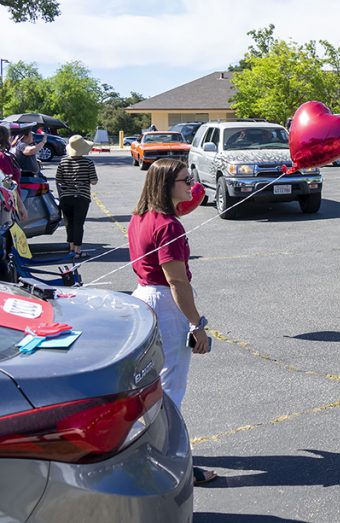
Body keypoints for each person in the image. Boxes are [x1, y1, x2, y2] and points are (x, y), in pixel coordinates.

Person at [128, 159, 216, 486]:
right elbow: (177, 282)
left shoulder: (139, 217)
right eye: (184, 179)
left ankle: (151, 451)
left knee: (152, 385)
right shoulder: (168, 225)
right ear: (166, 185)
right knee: (169, 390)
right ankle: (169, 464)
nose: (190, 184)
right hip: (164, 302)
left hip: (143, 298)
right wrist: (197, 324)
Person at [54, 135, 98, 256]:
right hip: (81, 197)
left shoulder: (63, 161)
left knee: (69, 223)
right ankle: (78, 250)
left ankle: (71, 247)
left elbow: (58, 180)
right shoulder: (88, 162)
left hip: (65, 197)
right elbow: (94, 181)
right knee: (79, 223)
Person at [0, 126, 27, 222]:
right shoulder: (2, 157)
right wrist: (21, 205)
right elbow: (8, 183)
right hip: (5, 204)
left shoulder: (5, 156)